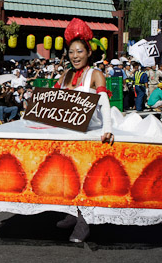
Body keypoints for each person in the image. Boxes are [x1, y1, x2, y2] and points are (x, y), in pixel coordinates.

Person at [49, 18, 115, 243]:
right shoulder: (65, 75)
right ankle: (71, 211)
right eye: (71, 52)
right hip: (66, 132)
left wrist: (107, 129)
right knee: (66, 174)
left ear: (88, 52)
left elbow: (104, 103)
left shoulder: (95, 74)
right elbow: (53, 101)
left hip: (89, 133)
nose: (75, 56)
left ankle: (84, 222)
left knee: (85, 177)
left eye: (79, 51)